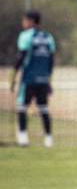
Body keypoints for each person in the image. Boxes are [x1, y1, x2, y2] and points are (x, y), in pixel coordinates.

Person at [9, 10, 56, 147]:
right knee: (43, 109)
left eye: (25, 20)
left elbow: (21, 56)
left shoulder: (26, 36)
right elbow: (51, 60)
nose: (23, 23)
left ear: (31, 21)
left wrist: (13, 75)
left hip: (28, 78)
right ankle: (48, 140)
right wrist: (49, 80)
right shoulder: (48, 37)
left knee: (22, 107)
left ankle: (23, 138)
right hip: (43, 79)